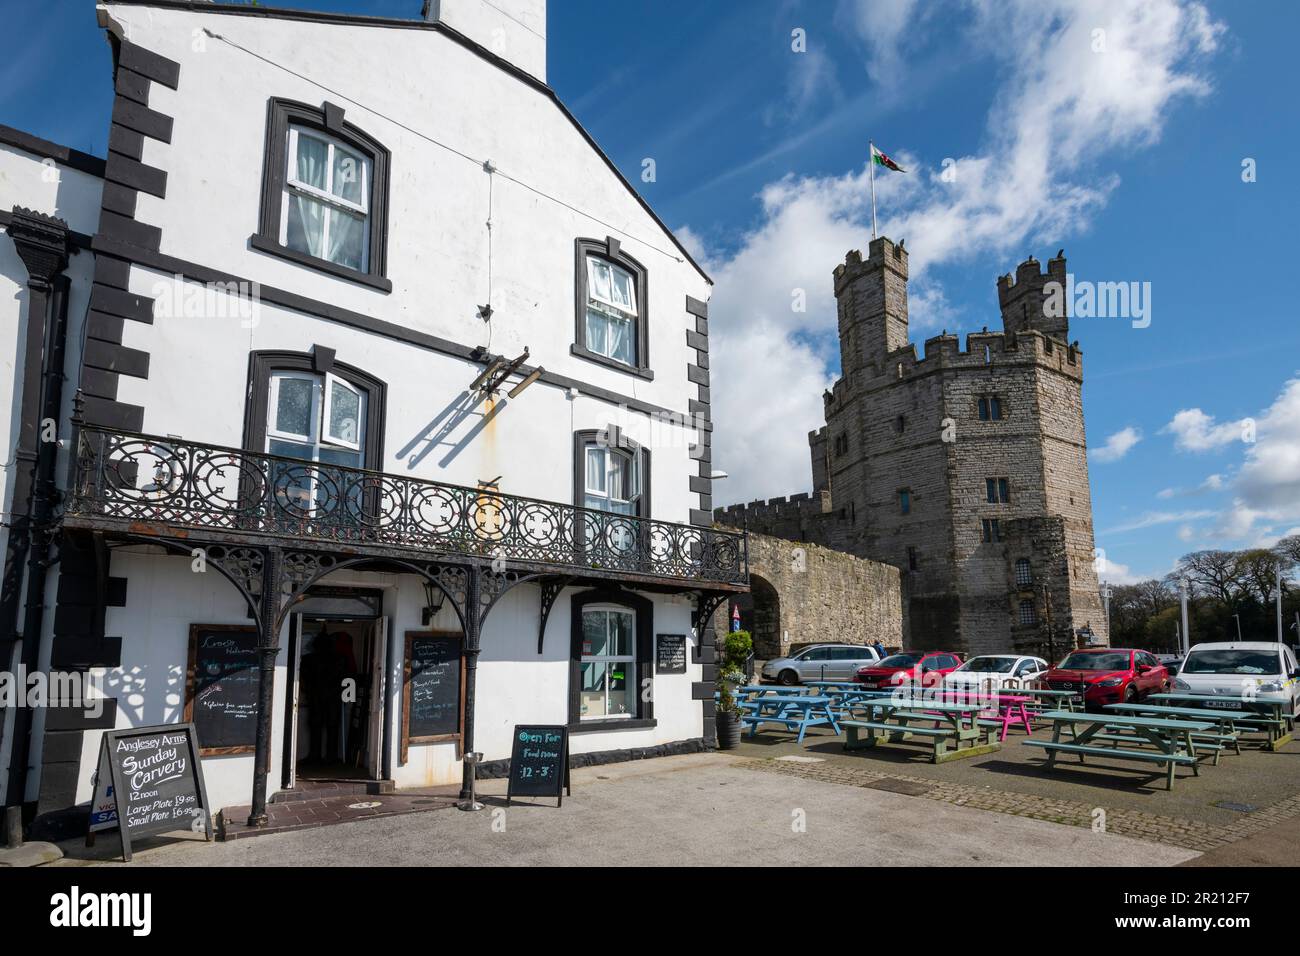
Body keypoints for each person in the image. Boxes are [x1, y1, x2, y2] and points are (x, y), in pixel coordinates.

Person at [300, 630, 344, 764]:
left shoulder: (308, 659)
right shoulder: (340, 658)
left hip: (316, 697)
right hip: (333, 697)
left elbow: (304, 678)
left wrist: (307, 690)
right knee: (332, 728)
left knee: (316, 727)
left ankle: (314, 755)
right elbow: (344, 678)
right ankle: (331, 756)